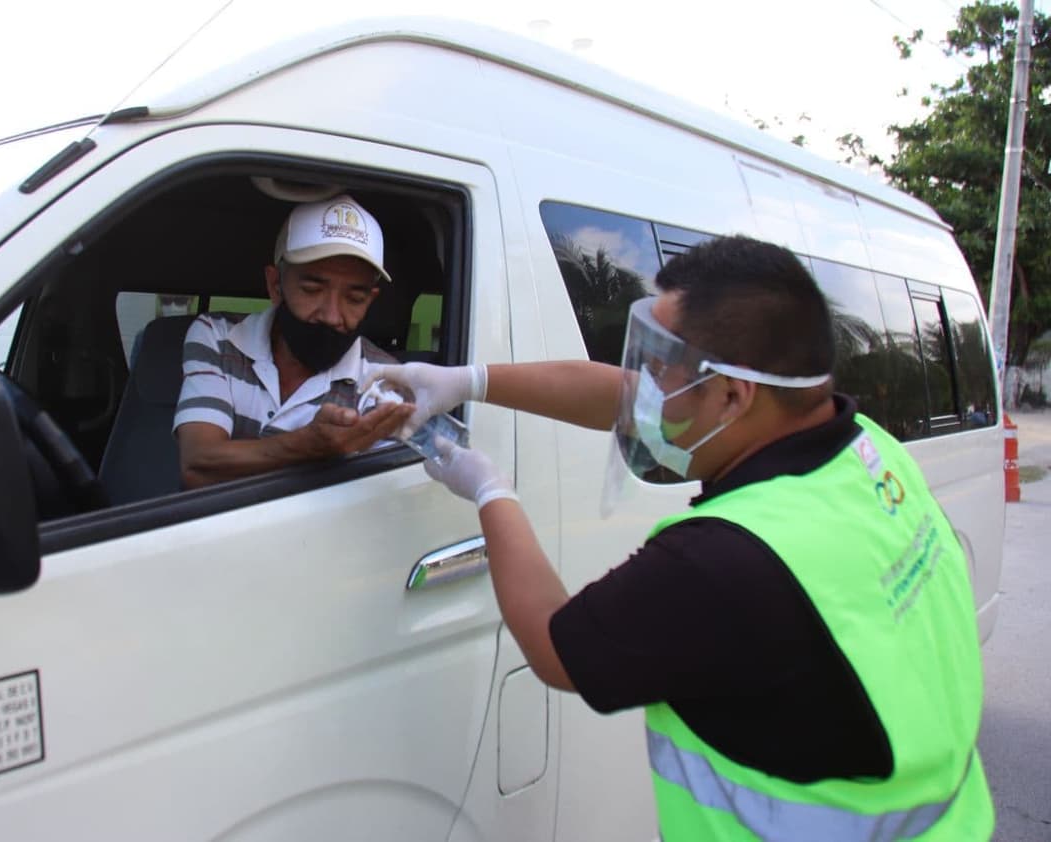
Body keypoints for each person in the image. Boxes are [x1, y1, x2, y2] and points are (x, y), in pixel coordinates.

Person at [365, 235, 992, 840]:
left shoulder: (725, 557)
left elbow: (558, 650)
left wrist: (490, 491)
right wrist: (470, 380)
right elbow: (629, 397)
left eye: (662, 369)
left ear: (731, 396)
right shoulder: (865, 449)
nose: (643, 384)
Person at [174, 194, 413, 488]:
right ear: (275, 285)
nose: (332, 316)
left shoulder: (387, 383)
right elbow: (199, 465)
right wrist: (307, 446)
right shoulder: (219, 336)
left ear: (370, 300)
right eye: (312, 289)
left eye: (354, 298)